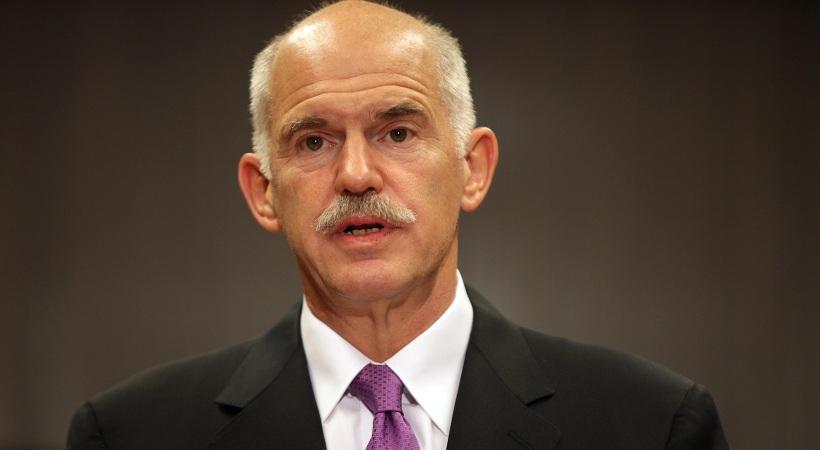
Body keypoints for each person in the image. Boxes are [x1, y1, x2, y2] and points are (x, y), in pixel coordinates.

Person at [67, 1, 729, 449]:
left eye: (398, 132)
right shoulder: (129, 434)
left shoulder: (653, 425)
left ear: (473, 168)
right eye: (314, 142)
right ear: (263, 191)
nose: (356, 175)